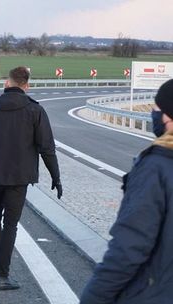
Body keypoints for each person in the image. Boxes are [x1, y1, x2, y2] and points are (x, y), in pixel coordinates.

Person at [0, 66, 62, 290]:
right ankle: (3, 275)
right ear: (26, 86)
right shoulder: (35, 110)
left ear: (7, 83)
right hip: (19, 178)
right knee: (10, 224)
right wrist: (55, 176)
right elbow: (47, 148)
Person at [80, 79, 173, 304]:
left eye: (157, 107)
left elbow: (130, 247)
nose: (154, 112)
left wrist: (94, 296)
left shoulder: (156, 167)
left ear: (168, 117)